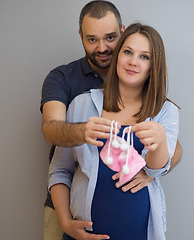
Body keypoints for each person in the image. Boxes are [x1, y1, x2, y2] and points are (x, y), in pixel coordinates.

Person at [41, 1, 182, 239]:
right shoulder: (81, 102)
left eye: (144, 56)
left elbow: (160, 165)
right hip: (79, 228)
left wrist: (156, 153)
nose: (133, 61)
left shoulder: (165, 111)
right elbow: (57, 154)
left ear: (153, 66)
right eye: (127, 52)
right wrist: (65, 222)